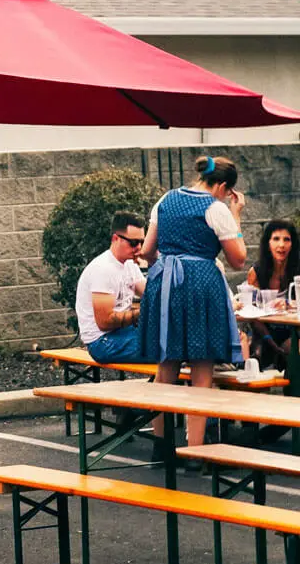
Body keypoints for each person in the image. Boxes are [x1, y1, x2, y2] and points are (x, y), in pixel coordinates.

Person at [140, 155, 246, 456]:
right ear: (223, 186)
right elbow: (238, 258)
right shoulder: (216, 209)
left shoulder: (165, 200)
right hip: (200, 284)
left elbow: (148, 252)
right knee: (201, 366)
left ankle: (160, 445)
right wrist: (236, 215)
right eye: (228, 193)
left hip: (164, 282)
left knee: (166, 363)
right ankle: (193, 451)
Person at [75, 213, 146, 363]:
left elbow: (151, 294)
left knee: (174, 338)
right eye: (133, 243)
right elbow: (105, 322)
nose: (138, 248)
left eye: (142, 242)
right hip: (102, 341)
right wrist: (143, 312)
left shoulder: (128, 263)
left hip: (123, 332)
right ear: (115, 239)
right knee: (169, 347)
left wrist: (152, 260)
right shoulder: (103, 268)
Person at [246, 218, 300, 371]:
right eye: (276, 239)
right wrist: (269, 340)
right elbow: (251, 312)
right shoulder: (256, 272)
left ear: (293, 244)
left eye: (286, 240)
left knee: (293, 350)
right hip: (264, 332)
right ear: (268, 243)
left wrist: (289, 305)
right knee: (256, 355)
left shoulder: (297, 270)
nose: (281, 245)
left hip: (294, 330)